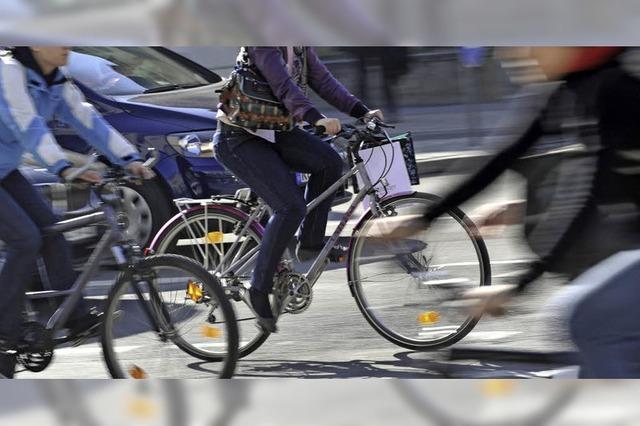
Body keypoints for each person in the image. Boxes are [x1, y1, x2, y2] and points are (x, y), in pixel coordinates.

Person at [381, 47, 640, 377]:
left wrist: (519, 284)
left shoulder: (615, 92)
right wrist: (424, 218)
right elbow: (503, 156)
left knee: (585, 318)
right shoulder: (569, 91)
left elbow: (592, 192)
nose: (520, 55)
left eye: (535, 44)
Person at [0, 46, 154, 378]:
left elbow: (86, 119)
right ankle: (3, 329)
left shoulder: (54, 79)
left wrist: (129, 159)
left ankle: (76, 318)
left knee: (51, 231)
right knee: (25, 239)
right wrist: (63, 167)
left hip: (5, 168)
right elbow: (27, 125)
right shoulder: (8, 73)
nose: (67, 45)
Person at [214, 46, 383, 332]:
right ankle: (259, 288)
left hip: (277, 130)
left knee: (329, 162)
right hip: (240, 137)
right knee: (290, 206)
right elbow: (283, 85)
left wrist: (362, 111)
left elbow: (324, 81)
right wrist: (315, 118)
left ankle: (310, 243)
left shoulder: (299, 44)